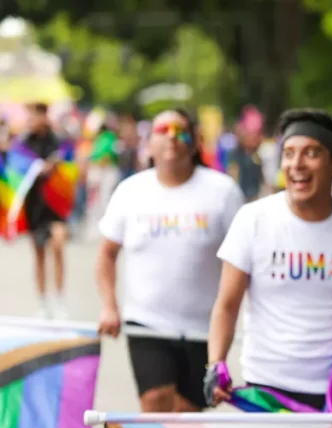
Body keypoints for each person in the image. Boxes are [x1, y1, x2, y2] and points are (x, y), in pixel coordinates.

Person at [206, 108, 332, 411]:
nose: (296, 164)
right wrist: (215, 364)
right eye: (288, 154)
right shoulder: (254, 219)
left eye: (311, 153)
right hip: (269, 388)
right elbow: (227, 304)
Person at [96, 108, 246, 412]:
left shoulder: (223, 192)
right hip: (147, 323)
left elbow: (243, 259)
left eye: (181, 131)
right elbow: (107, 254)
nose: (172, 138)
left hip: (203, 326)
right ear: (148, 143)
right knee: (154, 400)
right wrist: (109, 306)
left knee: (187, 412)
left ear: (195, 142)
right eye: (163, 130)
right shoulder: (130, 192)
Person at [20, 103, 69, 319]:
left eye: (34, 117)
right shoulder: (23, 142)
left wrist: (56, 166)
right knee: (39, 254)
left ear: (44, 116)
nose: (30, 121)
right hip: (33, 205)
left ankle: (59, 299)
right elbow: (15, 168)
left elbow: (69, 162)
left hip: (55, 204)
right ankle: (43, 302)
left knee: (58, 246)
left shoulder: (57, 140)